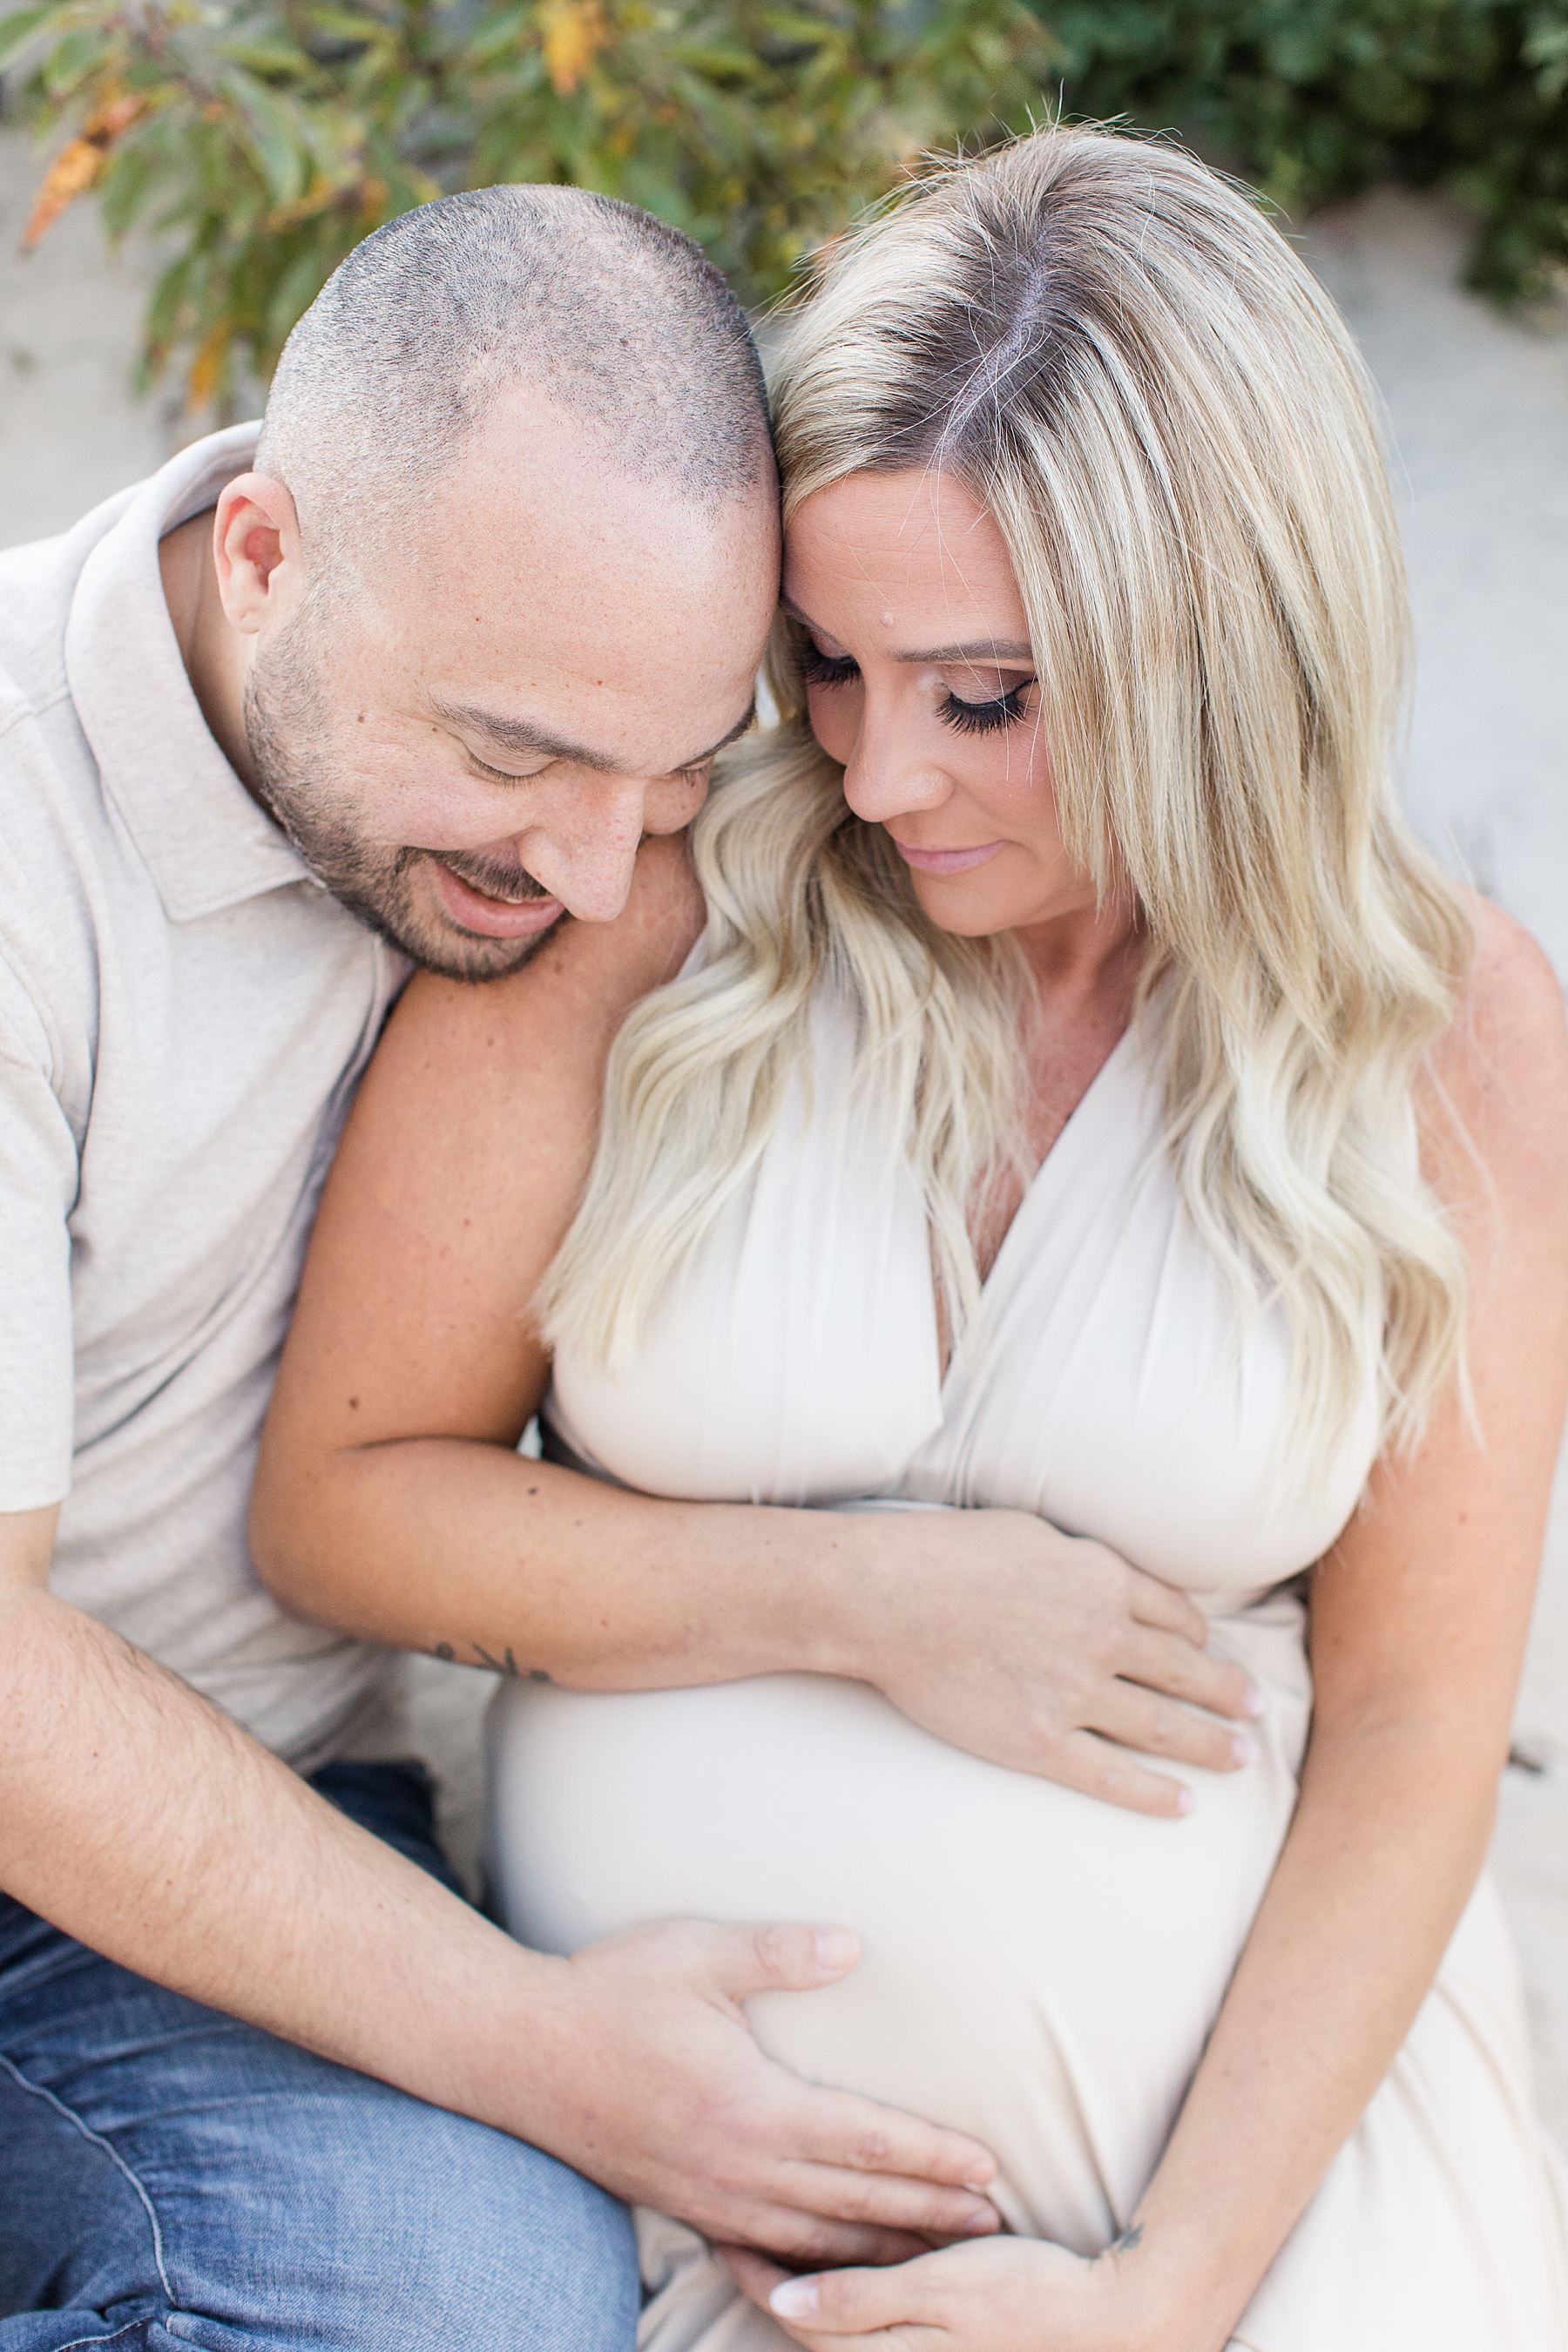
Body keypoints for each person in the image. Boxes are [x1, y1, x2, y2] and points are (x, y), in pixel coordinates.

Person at [253, 125, 1568, 2350]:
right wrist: (864, 1599)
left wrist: (1170, 2287)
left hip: (1255, 2214)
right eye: (829, 666)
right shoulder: (658, 909)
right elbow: (342, 1509)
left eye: (984, 694)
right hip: (672, 2196)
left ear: (1223, 647)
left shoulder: (1441, 1027)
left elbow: (1424, 1716)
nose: (872, 778)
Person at [0, 181, 1072, 2346]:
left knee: (461, 2301)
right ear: (268, 555)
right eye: (515, 760)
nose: (598, 875)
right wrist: (544, 2049)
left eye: (674, 778)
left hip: (252, 1826)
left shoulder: (595, 724)